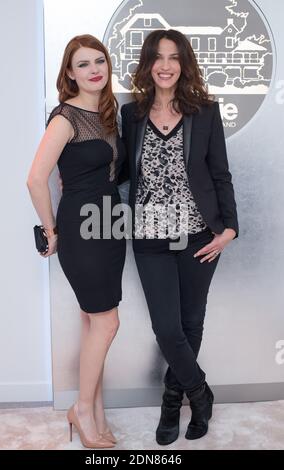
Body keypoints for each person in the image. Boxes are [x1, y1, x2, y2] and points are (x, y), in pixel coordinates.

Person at [121, 29, 239, 444]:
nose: (166, 65)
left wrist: (230, 228)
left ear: (184, 63)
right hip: (150, 237)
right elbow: (122, 172)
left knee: (191, 324)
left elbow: (220, 173)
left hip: (199, 236)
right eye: (158, 57)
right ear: (148, 63)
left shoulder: (205, 111)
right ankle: (200, 393)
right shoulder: (131, 114)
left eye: (174, 57)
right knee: (167, 328)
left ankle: (172, 403)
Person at [27, 34, 127, 449]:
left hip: (111, 224)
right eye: (83, 64)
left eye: (99, 61)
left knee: (93, 323)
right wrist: (51, 232)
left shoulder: (108, 113)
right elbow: (35, 179)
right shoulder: (65, 117)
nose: (94, 70)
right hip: (82, 226)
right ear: (70, 73)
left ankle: (95, 412)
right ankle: (82, 410)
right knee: (107, 322)